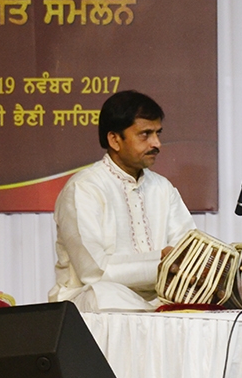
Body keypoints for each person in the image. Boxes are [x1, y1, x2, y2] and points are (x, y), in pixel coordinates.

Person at [51, 90, 196, 311]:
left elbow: (186, 248)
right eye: (145, 134)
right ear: (115, 140)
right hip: (98, 300)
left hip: (160, 298)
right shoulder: (84, 188)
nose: (156, 143)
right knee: (104, 295)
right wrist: (160, 262)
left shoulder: (162, 188)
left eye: (158, 133)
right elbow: (94, 271)